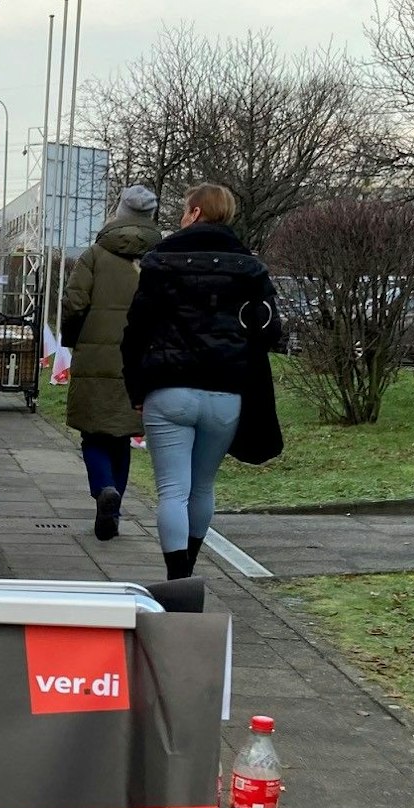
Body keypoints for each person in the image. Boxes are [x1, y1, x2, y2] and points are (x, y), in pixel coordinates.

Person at [121, 182, 281, 580]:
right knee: (202, 486)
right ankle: (190, 568)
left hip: (168, 388)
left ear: (194, 213)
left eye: (184, 209)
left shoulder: (159, 262)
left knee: (172, 490)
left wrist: (136, 388)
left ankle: (177, 579)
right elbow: (269, 331)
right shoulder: (250, 267)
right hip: (225, 391)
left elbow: (135, 331)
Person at [61, 185, 163, 542]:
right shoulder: (159, 258)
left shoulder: (94, 255)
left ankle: (104, 488)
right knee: (121, 434)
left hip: (95, 354)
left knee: (93, 434)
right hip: (141, 359)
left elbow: (74, 303)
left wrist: (74, 340)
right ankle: (114, 510)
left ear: (119, 212)